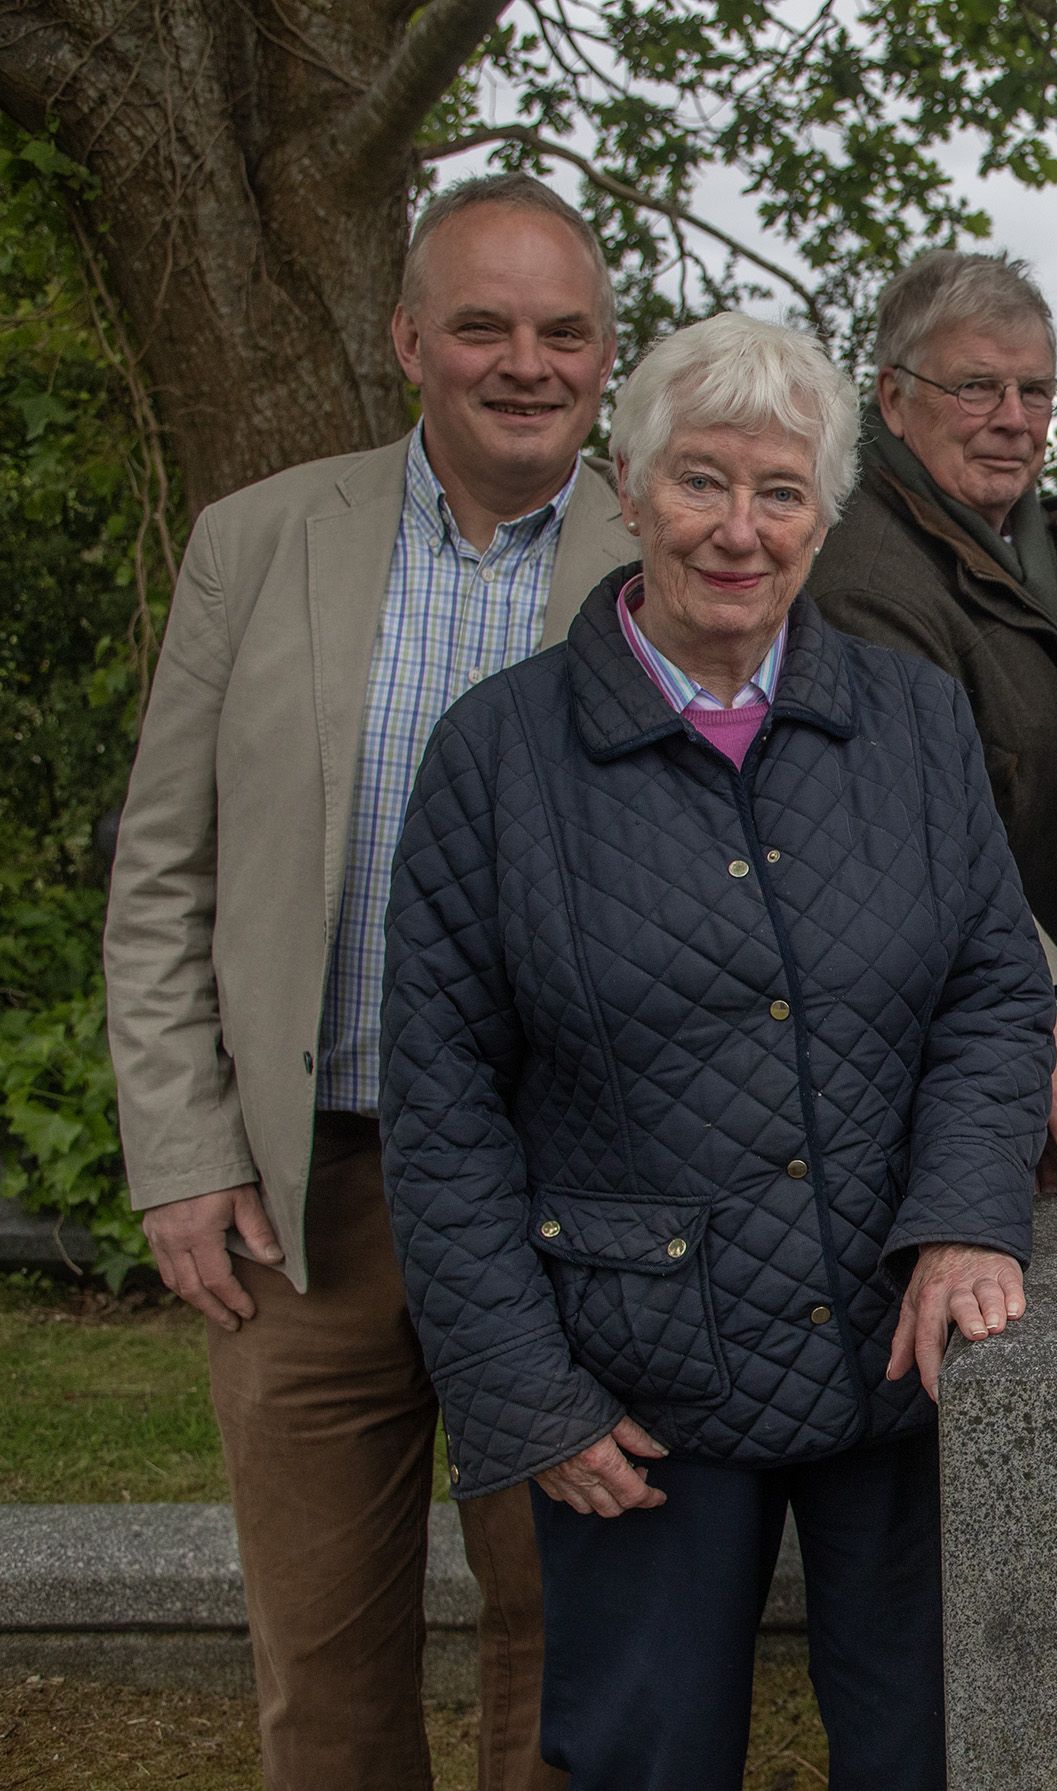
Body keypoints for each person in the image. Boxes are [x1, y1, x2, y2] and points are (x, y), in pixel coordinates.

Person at [381, 312, 1050, 1789]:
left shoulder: (915, 723)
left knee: (931, 1748)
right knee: (641, 1754)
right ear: (629, 486)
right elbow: (441, 1109)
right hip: (640, 1391)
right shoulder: (498, 758)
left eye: (781, 492)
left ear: (825, 515)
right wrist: (523, 1392)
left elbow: (997, 998)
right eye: (701, 483)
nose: (738, 531)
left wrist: (959, 1218)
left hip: (900, 1361)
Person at [102, 172, 627, 1790]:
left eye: (564, 330)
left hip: (571, 1204)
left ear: (611, 356)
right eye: (482, 325)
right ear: (409, 340)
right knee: (321, 1676)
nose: (524, 361)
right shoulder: (256, 544)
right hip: (308, 1204)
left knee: (573, 1664)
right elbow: (161, 877)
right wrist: (184, 1153)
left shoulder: (671, 546)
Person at [808, 249, 1057, 1202]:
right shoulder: (868, 585)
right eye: (975, 387)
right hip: (984, 1075)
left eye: (1035, 390)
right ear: (891, 395)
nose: (1012, 418)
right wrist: (1047, 1017)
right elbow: (919, 845)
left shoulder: (1025, 541)